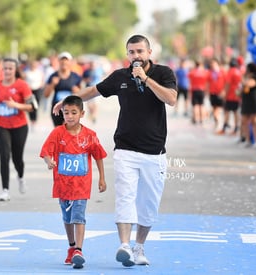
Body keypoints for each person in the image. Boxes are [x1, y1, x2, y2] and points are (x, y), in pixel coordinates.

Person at [53, 34, 177, 267]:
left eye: (140, 51)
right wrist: (70, 101)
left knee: (149, 204)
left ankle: (139, 246)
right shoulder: (121, 76)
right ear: (127, 54)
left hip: (155, 152)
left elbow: (170, 99)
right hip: (125, 149)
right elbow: (94, 91)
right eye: (131, 52)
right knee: (125, 197)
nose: (136, 56)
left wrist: (146, 79)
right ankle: (124, 245)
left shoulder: (163, 74)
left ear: (149, 53)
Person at [40, 95, 107, 269]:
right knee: (67, 217)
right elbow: (46, 151)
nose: (69, 116)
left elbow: (98, 156)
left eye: (73, 113)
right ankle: (71, 247)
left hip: (81, 186)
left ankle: (79, 249)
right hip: (62, 184)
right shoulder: (57, 133)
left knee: (79, 215)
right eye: (66, 112)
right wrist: (48, 161)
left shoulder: (90, 136)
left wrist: (102, 177)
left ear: (82, 114)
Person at [0, 57, 38, 201]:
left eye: (10, 68)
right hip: (1, 125)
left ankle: (20, 177)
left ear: (15, 70)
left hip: (19, 126)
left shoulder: (22, 85)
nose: (7, 71)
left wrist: (16, 106)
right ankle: (5, 190)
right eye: (5, 68)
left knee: (17, 158)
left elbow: (32, 106)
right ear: (2, 70)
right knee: (4, 156)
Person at [43, 52, 82, 126]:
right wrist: (52, 84)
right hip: (57, 107)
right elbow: (46, 95)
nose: (64, 62)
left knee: (69, 129)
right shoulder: (53, 76)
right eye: (62, 60)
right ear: (59, 62)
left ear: (70, 62)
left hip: (72, 108)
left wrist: (77, 91)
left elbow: (82, 94)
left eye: (66, 60)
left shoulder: (75, 76)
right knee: (59, 131)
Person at [240, 62, 256, 147]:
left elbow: (249, 84)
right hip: (246, 101)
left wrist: (244, 80)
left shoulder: (255, 77)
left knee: (254, 121)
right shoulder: (248, 77)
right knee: (244, 120)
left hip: (254, 101)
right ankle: (247, 140)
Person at [218, 58, 242, 135]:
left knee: (227, 111)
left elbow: (228, 84)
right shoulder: (239, 72)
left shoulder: (231, 72)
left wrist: (225, 93)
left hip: (231, 95)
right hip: (237, 94)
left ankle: (225, 127)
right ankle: (236, 128)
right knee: (235, 112)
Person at [24, 60, 45, 129]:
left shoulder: (39, 72)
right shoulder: (27, 73)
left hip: (37, 90)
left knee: (36, 105)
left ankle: (35, 120)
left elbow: (42, 80)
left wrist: (41, 85)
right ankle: (32, 120)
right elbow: (24, 81)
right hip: (30, 90)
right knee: (30, 106)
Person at [207, 58, 226, 131]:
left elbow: (226, 83)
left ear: (217, 64)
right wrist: (207, 93)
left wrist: (224, 91)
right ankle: (216, 123)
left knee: (218, 110)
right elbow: (208, 83)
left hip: (220, 93)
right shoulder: (210, 73)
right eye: (211, 64)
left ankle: (219, 123)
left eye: (214, 64)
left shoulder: (222, 72)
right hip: (212, 93)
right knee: (214, 109)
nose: (212, 65)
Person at [188, 60, 208, 124]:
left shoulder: (192, 72)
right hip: (202, 90)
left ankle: (195, 119)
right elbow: (207, 82)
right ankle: (201, 119)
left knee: (195, 105)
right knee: (201, 105)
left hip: (194, 90)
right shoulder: (204, 72)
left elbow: (189, 80)